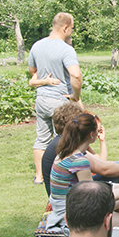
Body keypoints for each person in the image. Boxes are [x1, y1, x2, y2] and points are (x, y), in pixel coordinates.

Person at [41, 102, 119, 229]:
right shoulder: (78, 160)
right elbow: (92, 198)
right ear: (91, 134)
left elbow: (99, 172)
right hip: (74, 213)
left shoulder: (67, 151)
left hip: (72, 205)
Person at [28, 12, 82, 185]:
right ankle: (63, 173)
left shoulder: (37, 46)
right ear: (65, 27)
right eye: (72, 28)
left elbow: (32, 72)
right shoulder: (66, 49)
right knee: (68, 138)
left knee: (42, 138)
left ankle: (39, 176)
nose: (71, 32)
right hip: (59, 101)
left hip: (41, 99)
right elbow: (76, 75)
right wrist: (76, 95)